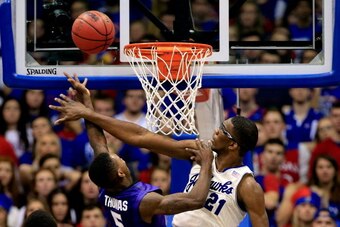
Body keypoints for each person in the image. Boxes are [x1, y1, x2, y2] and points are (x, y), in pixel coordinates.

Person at [49, 73, 268, 227]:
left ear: (233, 145)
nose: (216, 131)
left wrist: (88, 111)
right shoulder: (199, 149)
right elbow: (142, 136)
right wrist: (88, 113)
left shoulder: (247, 185)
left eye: (223, 130)